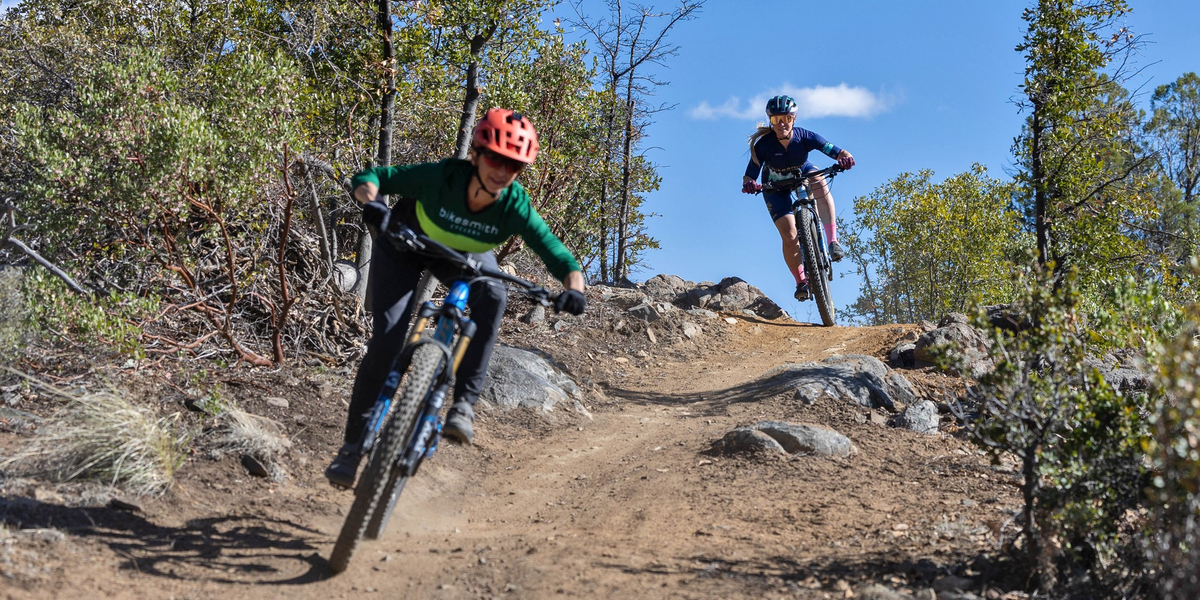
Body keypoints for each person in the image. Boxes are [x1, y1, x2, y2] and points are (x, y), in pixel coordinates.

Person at [325, 107, 587, 488]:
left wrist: (575, 289)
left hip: (463, 256)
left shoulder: (514, 205)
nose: (502, 171)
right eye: (495, 158)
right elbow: (371, 178)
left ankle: (463, 405)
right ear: (477, 154)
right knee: (387, 341)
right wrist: (374, 203)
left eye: (513, 165)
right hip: (405, 243)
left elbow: (557, 253)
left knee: (493, 294)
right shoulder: (443, 176)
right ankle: (351, 449)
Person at [741, 95, 855, 301]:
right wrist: (749, 184)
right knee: (789, 233)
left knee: (819, 180)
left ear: (794, 118)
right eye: (776, 119)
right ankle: (801, 281)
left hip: (802, 172)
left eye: (786, 118)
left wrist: (845, 158)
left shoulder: (806, 136)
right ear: (770, 121)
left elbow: (837, 151)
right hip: (774, 184)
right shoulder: (764, 145)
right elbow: (749, 175)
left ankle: (833, 241)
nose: (781, 124)